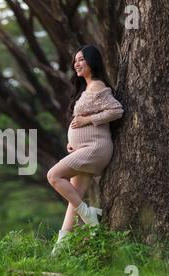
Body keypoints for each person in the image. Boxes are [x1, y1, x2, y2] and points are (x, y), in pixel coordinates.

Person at [47, 44, 124, 256]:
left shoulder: (97, 86)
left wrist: (88, 119)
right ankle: (58, 250)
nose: (76, 64)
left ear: (92, 61)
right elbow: (80, 125)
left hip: (96, 149)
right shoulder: (86, 89)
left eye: (81, 59)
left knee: (53, 176)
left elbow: (116, 110)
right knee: (74, 200)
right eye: (75, 61)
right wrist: (73, 143)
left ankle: (90, 216)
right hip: (84, 149)